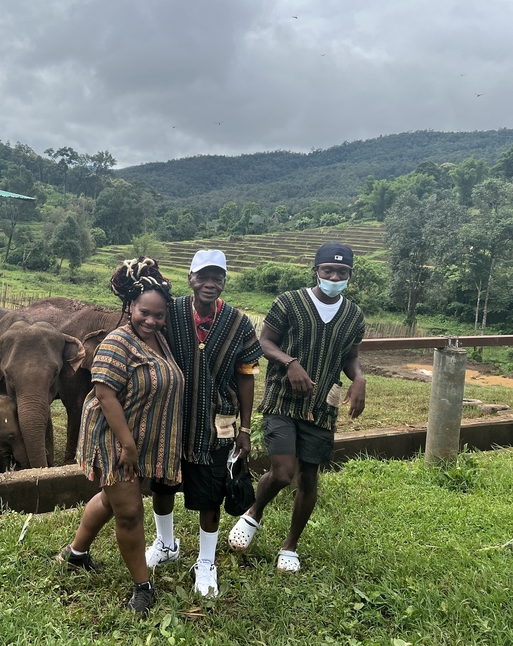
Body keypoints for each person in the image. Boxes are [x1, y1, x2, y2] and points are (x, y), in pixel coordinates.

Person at [228, 242, 366, 573]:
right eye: (328, 270)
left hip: (322, 406)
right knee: (283, 471)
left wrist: (359, 379)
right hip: (282, 400)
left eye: (342, 272)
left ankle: (290, 545)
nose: (334, 276)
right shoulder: (289, 302)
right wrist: (289, 362)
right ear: (316, 271)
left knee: (309, 476)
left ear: (349, 275)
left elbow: (350, 358)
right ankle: (254, 512)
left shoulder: (354, 316)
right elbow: (264, 342)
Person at [57, 257, 183, 616]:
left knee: (111, 500)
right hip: (115, 439)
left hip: (138, 439)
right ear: (130, 307)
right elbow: (105, 394)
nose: (152, 320)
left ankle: (75, 555)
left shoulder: (159, 340)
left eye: (159, 315)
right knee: (128, 512)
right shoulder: (117, 342)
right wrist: (127, 444)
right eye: (145, 312)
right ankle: (142, 587)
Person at [145, 249, 263, 598]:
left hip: (216, 424)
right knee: (163, 485)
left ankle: (206, 562)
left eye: (217, 278)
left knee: (211, 494)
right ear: (191, 279)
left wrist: (245, 428)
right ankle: (166, 545)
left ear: (224, 282)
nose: (210, 283)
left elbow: (246, 376)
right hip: (171, 418)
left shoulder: (239, 323)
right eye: (203, 276)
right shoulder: (172, 312)